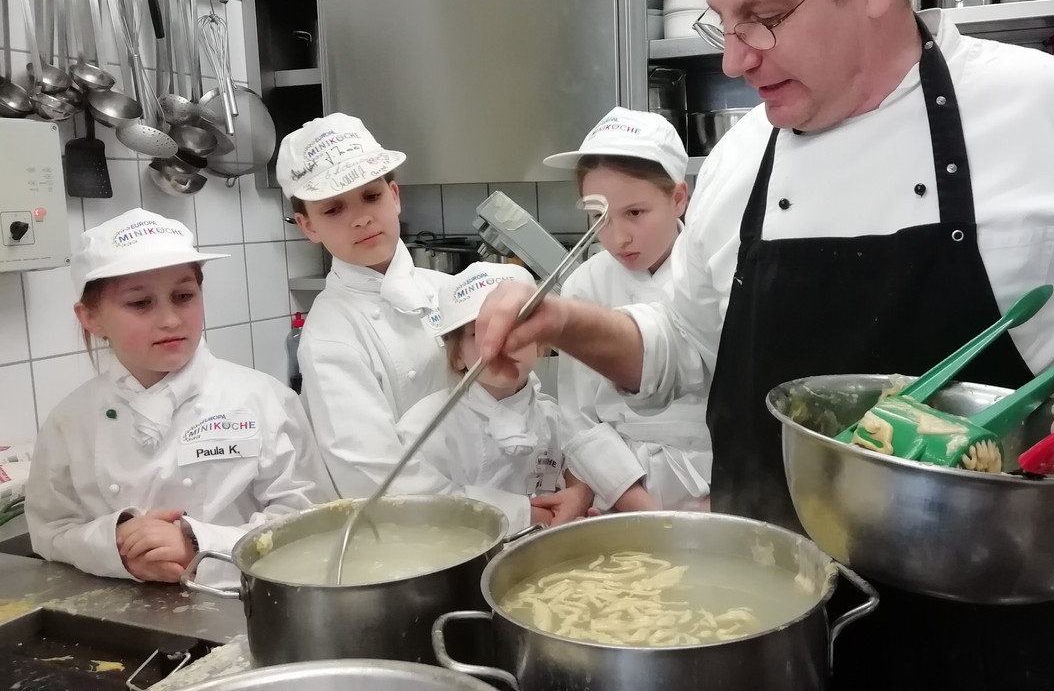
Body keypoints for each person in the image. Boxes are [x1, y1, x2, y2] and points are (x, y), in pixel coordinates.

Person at [471, 0, 1054, 687]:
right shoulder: (737, 163)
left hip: (994, 639)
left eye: (765, 17)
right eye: (723, 21)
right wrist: (564, 319)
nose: (735, 60)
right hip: (766, 631)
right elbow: (683, 350)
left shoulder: (1053, 113)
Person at [26, 209, 336, 586]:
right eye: (140, 303)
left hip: (246, 604)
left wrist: (199, 546)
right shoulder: (70, 421)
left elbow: (311, 521)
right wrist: (117, 546)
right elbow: (50, 530)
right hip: (121, 610)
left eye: (184, 296)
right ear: (91, 318)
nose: (171, 319)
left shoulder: (263, 399)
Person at [395, 262, 656, 529]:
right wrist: (530, 516)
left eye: (516, 331)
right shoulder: (425, 428)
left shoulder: (554, 418)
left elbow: (582, 465)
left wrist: (579, 495)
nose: (501, 345)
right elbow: (419, 507)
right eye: (479, 334)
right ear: (457, 355)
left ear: (540, 344)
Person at [545, 107, 713, 511]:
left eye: (635, 213)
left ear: (678, 198)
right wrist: (638, 505)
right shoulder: (584, 285)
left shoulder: (716, 274)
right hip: (619, 491)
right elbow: (579, 418)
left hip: (717, 489)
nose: (617, 238)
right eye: (598, 217)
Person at [278, 113, 454, 498]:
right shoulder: (329, 335)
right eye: (333, 209)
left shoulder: (450, 290)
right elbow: (373, 476)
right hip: (420, 524)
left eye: (371, 196)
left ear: (394, 196)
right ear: (308, 226)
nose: (361, 219)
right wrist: (500, 507)